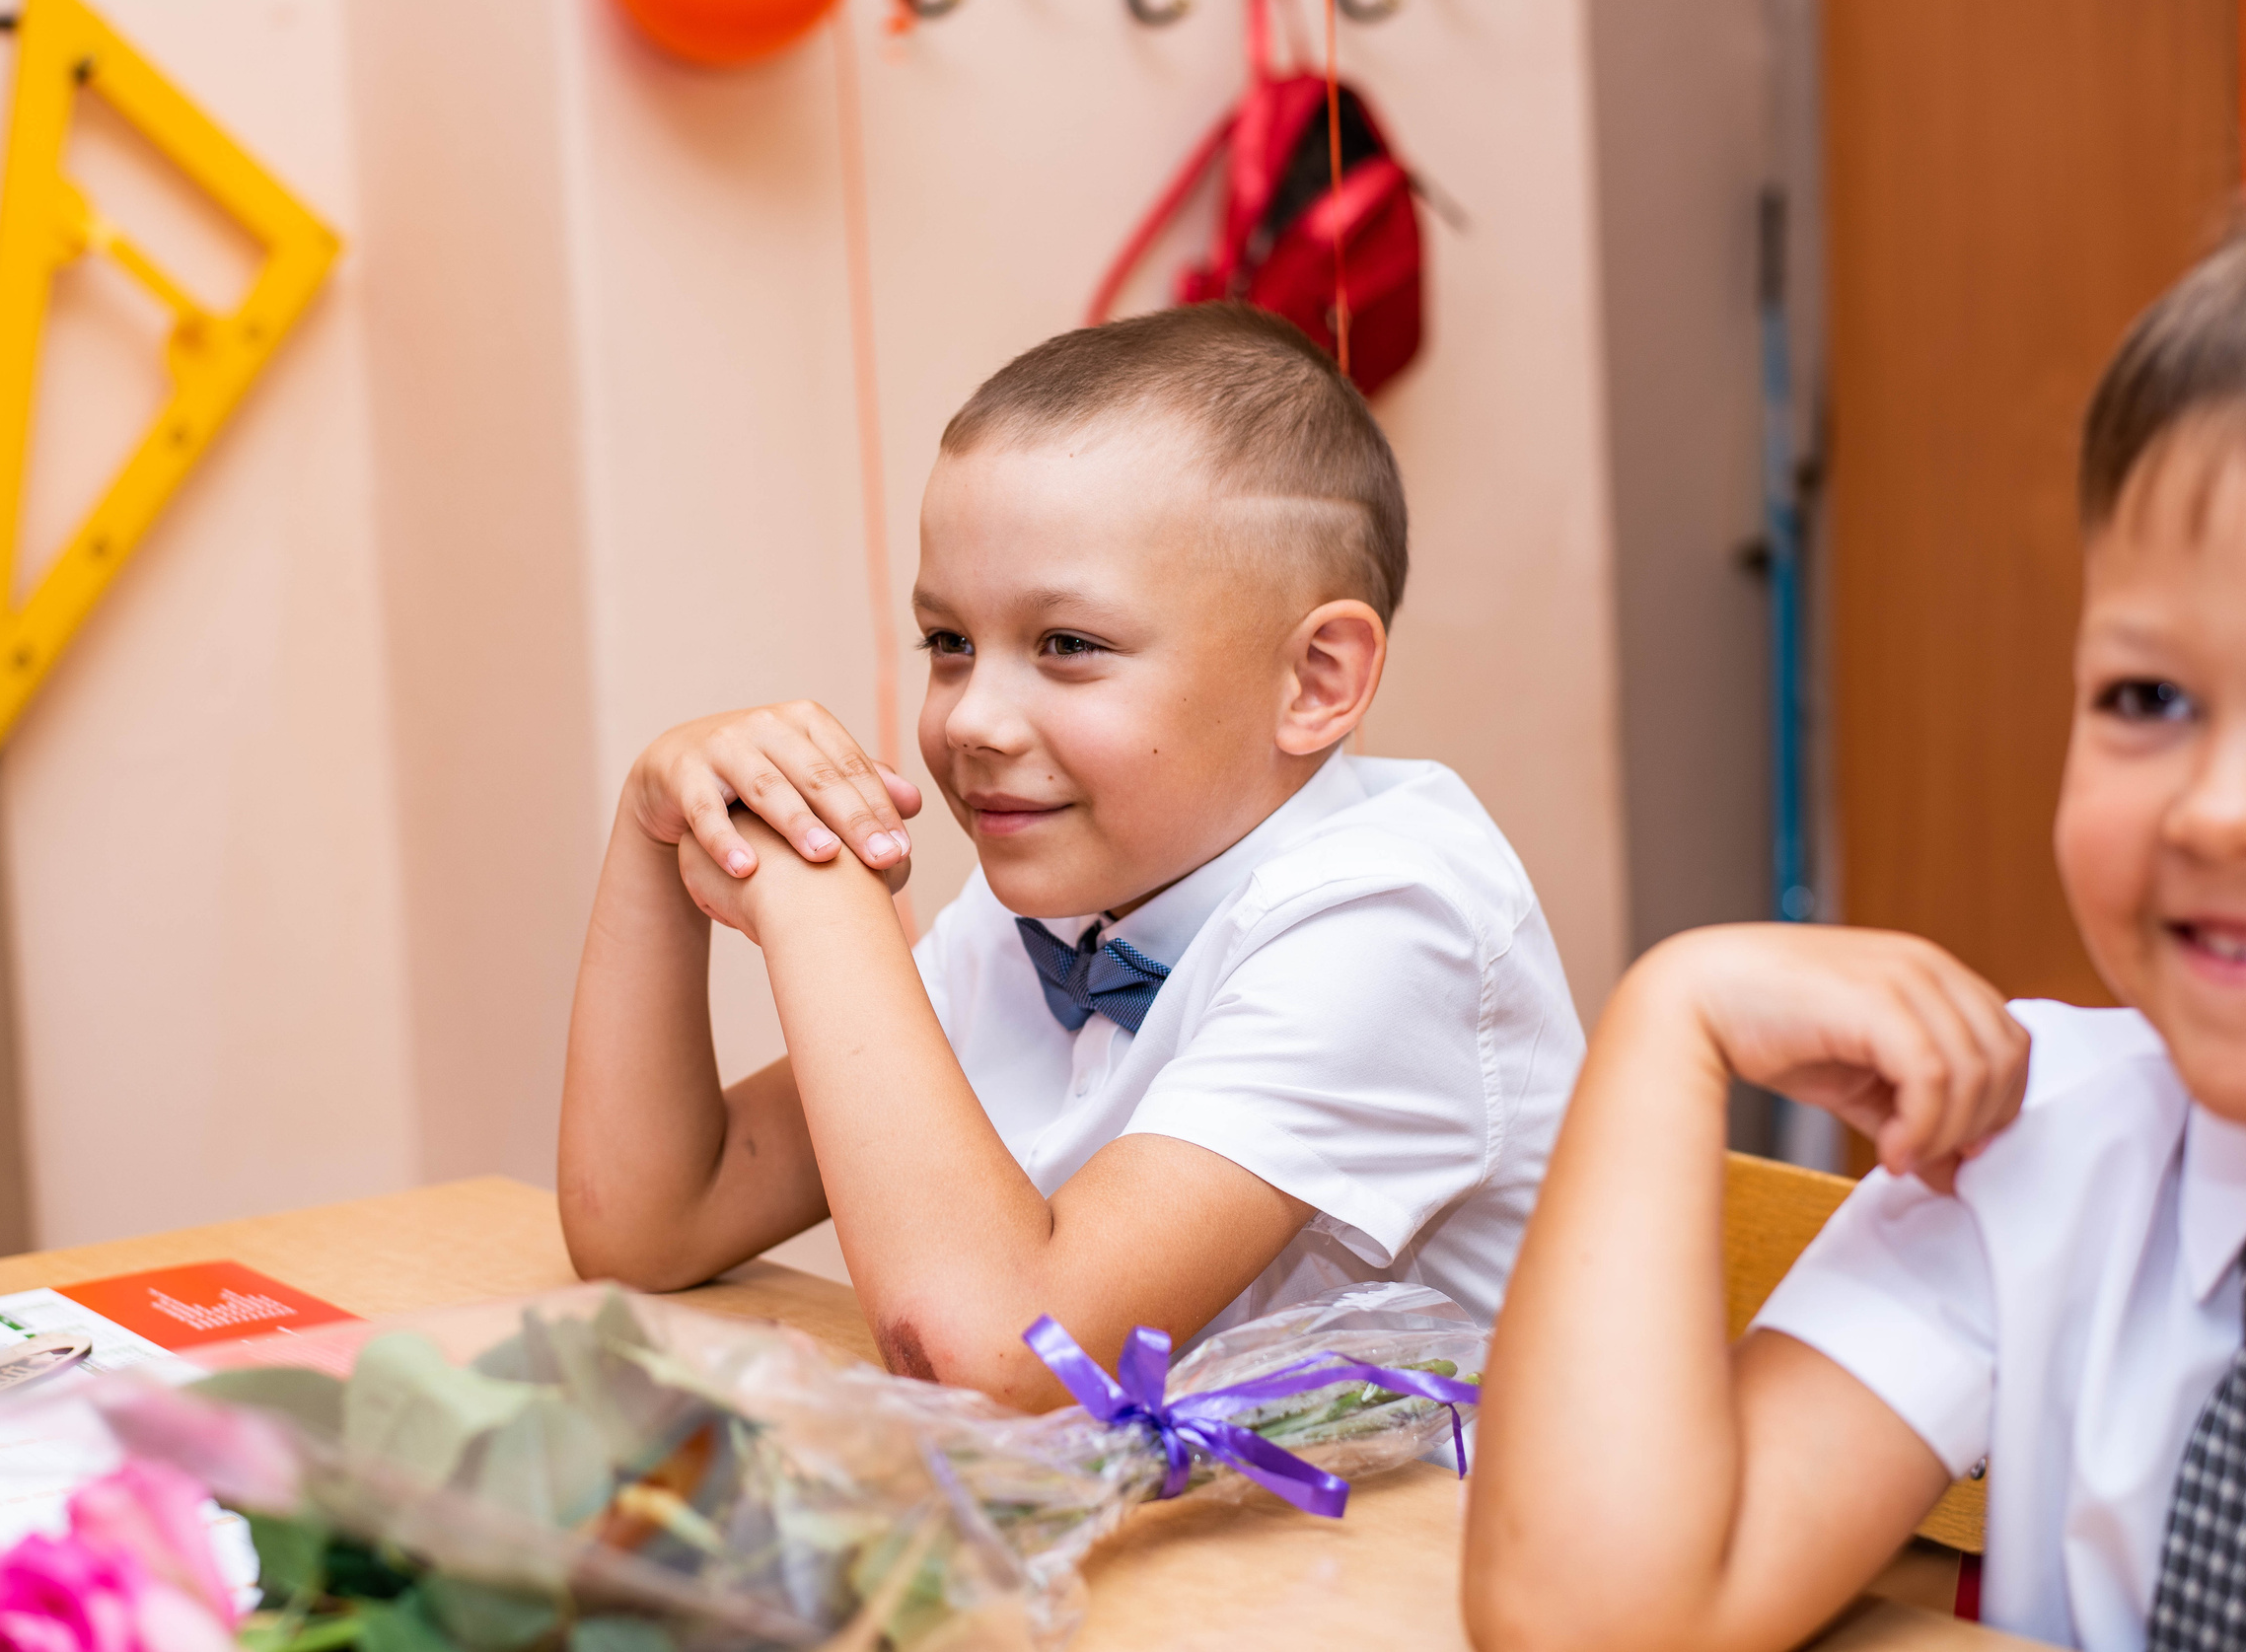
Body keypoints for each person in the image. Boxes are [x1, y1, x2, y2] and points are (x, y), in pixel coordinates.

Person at [556, 303, 1582, 1408]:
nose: (973, 721)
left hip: (1420, 1567)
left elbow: (1009, 1355)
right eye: (949, 642)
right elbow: (653, 1221)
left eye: (1068, 646)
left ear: (1315, 680)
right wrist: (658, 828)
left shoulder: (1394, 919)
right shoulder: (1051, 909)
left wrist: (820, 891)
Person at [1466, 237, 2246, 1652]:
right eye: (2149, 695)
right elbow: (1592, 1622)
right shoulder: (2036, 1146)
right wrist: (1673, 1016)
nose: (2218, 809)